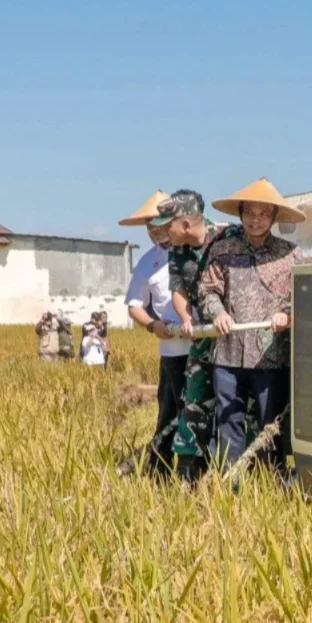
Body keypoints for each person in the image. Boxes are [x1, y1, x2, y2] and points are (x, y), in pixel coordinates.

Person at [199, 177, 307, 471]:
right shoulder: (223, 251)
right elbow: (207, 290)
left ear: (273, 216)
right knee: (228, 421)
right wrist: (218, 312)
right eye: (250, 213)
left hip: (271, 356)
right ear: (240, 214)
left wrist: (288, 316)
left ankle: (272, 483)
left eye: (263, 214)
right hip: (228, 351)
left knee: (270, 425)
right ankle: (230, 485)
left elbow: (305, 298)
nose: (256, 220)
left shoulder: (290, 254)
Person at [150, 189, 242, 482]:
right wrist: (187, 318)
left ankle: (240, 474)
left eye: (170, 224)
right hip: (203, 336)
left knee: (237, 405)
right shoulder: (177, 250)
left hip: (237, 338)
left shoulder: (230, 237)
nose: (166, 231)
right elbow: (178, 289)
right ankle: (190, 475)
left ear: (187, 224)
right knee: (194, 403)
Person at [118, 191, 188, 477]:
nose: (154, 230)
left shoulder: (197, 249)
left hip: (206, 350)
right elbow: (134, 305)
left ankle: (196, 473)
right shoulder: (148, 262)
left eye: (159, 224)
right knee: (169, 414)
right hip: (172, 353)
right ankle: (159, 473)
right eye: (149, 226)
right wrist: (152, 325)